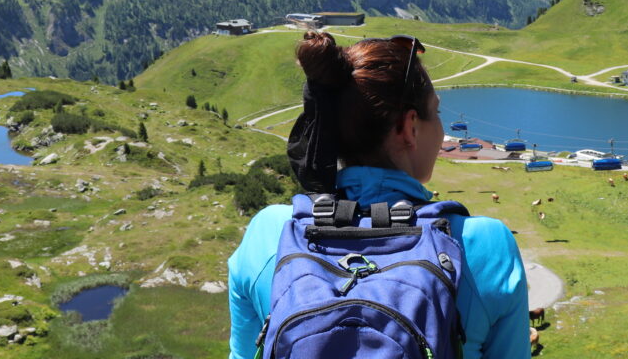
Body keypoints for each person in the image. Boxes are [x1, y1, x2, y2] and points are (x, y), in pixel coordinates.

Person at [228, 31, 531, 359]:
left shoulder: (269, 234)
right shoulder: (483, 245)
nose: (442, 130)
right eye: (437, 113)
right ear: (409, 128)